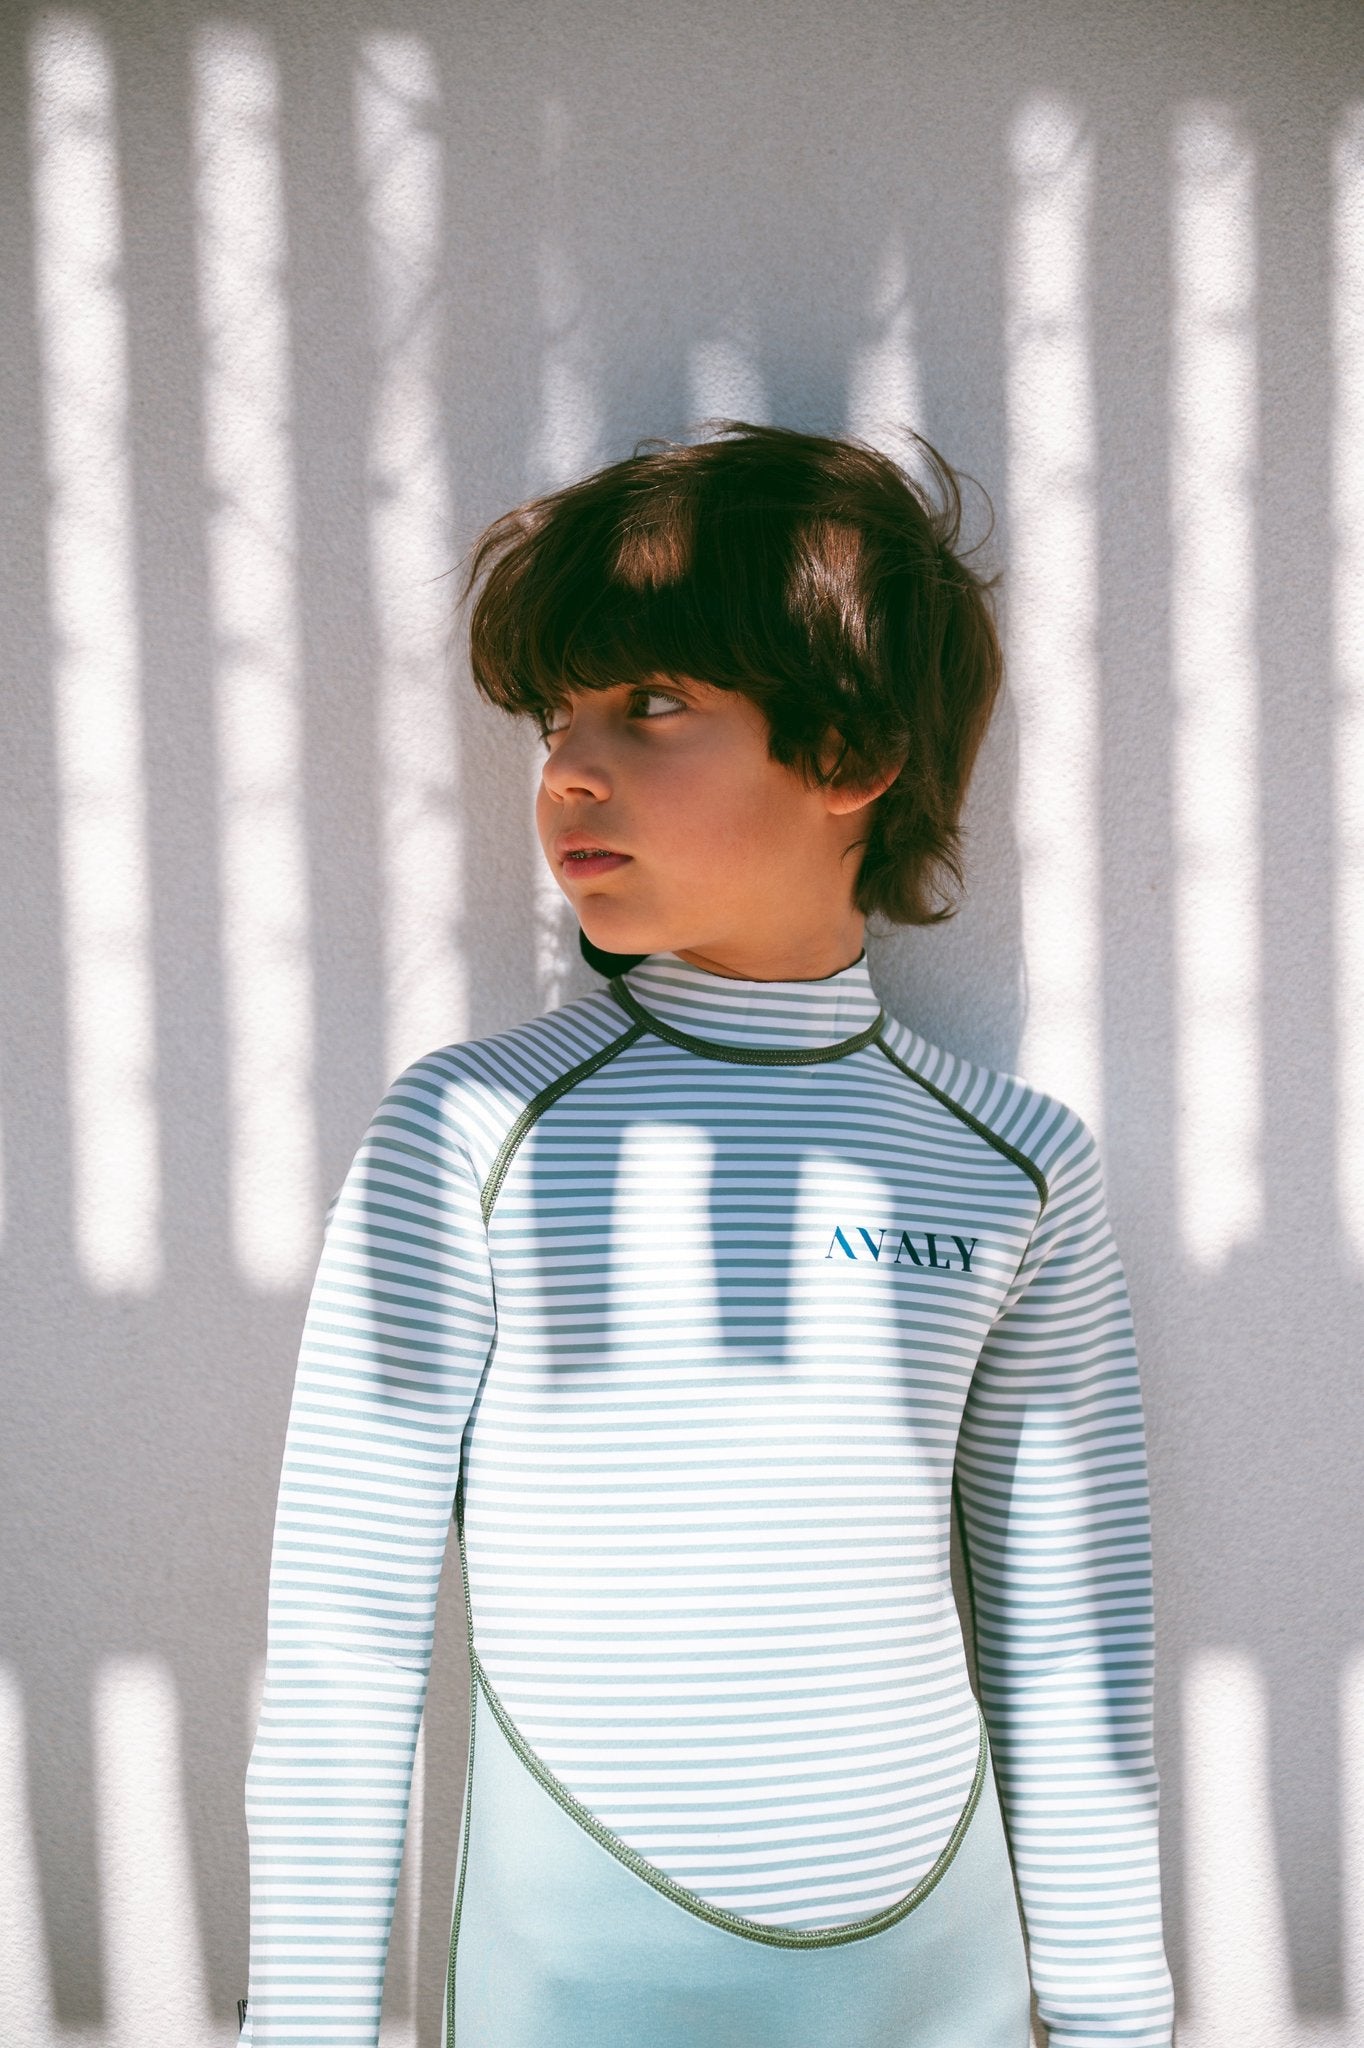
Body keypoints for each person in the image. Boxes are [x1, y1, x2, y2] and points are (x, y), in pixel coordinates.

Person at [237, 422, 1174, 2047]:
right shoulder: (468, 1135)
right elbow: (340, 1637)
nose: (569, 773)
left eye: (651, 707)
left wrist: (1115, 2014)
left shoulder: (1016, 1168)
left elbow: (1069, 1642)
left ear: (853, 754)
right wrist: (302, 2026)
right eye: (555, 718)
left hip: (934, 1979)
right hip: (566, 1984)